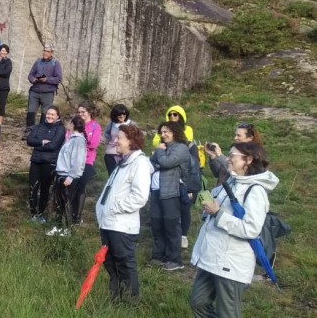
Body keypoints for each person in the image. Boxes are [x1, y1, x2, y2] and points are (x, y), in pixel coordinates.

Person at [190, 142, 279, 317]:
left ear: (248, 160)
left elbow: (251, 229)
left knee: (227, 313)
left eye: (232, 156)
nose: (228, 158)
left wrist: (218, 214)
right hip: (211, 258)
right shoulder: (232, 180)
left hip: (231, 263)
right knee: (198, 302)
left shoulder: (255, 191)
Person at [96, 124, 153, 304]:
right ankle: (115, 301)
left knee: (125, 264)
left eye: (119, 137)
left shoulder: (140, 163)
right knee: (111, 264)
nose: (115, 140)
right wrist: (102, 210)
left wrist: (114, 207)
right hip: (108, 223)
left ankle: (129, 304)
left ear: (130, 141)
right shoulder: (123, 163)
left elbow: (140, 197)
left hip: (121, 225)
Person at [149, 121, 189, 271]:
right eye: (162, 132)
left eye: (167, 132)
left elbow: (166, 162)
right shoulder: (163, 148)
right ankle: (158, 255)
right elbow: (152, 163)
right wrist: (159, 157)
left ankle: (175, 260)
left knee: (171, 226)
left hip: (171, 191)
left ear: (175, 132)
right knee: (156, 223)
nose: (163, 134)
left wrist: (159, 153)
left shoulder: (181, 148)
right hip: (156, 190)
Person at [48, 115, 86, 237]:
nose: (68, 124)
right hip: (61, 174)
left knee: (66, 204)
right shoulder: (70, 138)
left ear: (73, 124)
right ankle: (58, 227)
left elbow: (78, 160)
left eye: (69, 122)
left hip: (68, 177)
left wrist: (71, 177)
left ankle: (67, 229)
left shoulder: (78, 140)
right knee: (59, 204)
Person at [26, 106, 65, 222]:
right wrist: (42, 142)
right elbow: (29, 140)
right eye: (48, 114)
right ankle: (33, 213)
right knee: (33, 186)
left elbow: (54, 145)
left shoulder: (60, 129)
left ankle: (41, 213)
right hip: (36, 161)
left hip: (49, 162)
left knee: (44, 188)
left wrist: (37, 146)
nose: (50, 116)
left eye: (53, 114)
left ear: (57, 116)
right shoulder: (39, 126)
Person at [70, 101, 102, 225]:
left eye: (83, 112)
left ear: (89, 112)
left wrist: (81, 139)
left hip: (87, 161)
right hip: (73, 161)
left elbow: (93, 144)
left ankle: (77, 216)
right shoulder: (75, 124)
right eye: (79, 112)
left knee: (80, 188)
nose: (80, 114)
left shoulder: (95, 126)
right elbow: (68, 139)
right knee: (72, 187)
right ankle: (70, 213)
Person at [23, 44, 62, 140]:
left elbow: (59, 78)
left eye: (47, 51)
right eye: (44, 50)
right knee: (31, 111)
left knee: (45, 113)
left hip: (48, 92)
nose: (45, 52)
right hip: (35, 91)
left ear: (51, 53)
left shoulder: (55, 63)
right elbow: (30, 75)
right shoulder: (38, 62)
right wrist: (33, 79)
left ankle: (41, 132)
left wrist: (47, 79)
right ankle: (29, 131)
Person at [102, 104, 135, 175]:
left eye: (124, 113)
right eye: (119, 114)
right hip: (111, 153)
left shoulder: (132, 124)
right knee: (112, 175)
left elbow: (136, 137)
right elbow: (106, 133)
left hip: (126, 153)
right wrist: (112, 141)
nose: (122, 116)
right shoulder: (111, 124)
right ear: (115, 115)